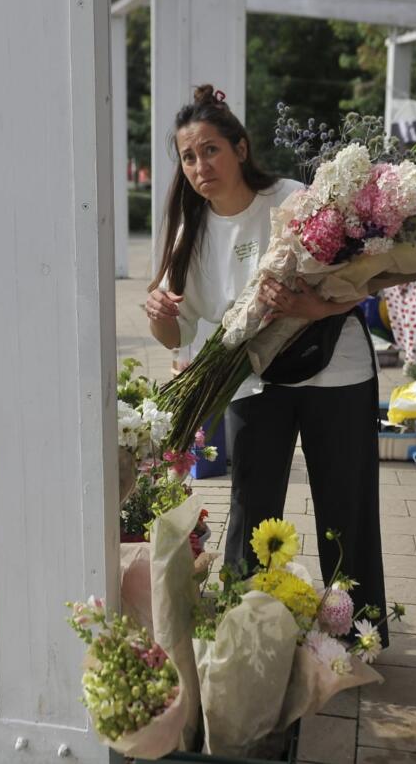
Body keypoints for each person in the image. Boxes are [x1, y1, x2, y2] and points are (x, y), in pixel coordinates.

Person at [145, 85, 387, 641]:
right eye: (187, 156)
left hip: (336, 368)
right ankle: (243, 626)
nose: (200, 164)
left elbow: (366, 279)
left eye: (210, 149)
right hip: (254, 378)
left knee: (345, 505)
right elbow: (173, 333)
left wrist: (310, 306)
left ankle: (361, 630)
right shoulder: (191, 234)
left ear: (241, 149)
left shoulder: (293, 198)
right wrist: (159, 310)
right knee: (252, 507)